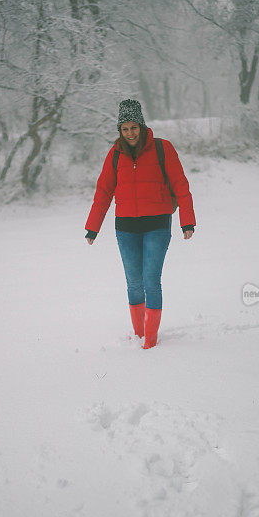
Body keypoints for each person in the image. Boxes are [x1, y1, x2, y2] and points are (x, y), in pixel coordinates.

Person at [85, 99, 196, 349]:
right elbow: (103, 191)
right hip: (126, 229)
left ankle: (151, 341)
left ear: (142, 125)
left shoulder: (162, 148)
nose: (130, 133)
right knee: (133, 282)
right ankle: (139, 335)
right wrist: (93, 227)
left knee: (150, 280)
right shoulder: (115, 154)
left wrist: (186, 221)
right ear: (120, 130)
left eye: (134, 127)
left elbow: (180, 184)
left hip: (157, 225)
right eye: (125, 129)